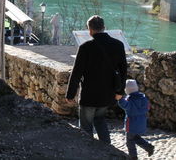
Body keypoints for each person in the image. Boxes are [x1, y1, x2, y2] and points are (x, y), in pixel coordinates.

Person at [66, 15, 127, 144]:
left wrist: (70, 94)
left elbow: (76, 73)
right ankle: (108, 151)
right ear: (104, 28)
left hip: (89, 94)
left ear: (90, 30)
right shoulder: (118, 45)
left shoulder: (85, 47)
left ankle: (88, 152)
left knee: (86, 126)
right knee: (100, 120)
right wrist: (120, 92)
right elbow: (123, 71)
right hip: (107, 94)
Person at [115, 80, 154, 160]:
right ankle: (148, 147)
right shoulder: (143, 98)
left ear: (127, 90)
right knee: (136, 137)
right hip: (142, 123)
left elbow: (125, 105)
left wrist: (120, 99)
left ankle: (133, 156)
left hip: (132, 124)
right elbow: (148, 107)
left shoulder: (129, 100)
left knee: (129, 141)